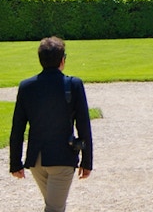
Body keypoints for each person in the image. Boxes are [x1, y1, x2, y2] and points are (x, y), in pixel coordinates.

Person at [10, 37, 93, 212]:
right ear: (62, 60)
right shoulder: (73, 84)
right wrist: (87, 161)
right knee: (54, 208)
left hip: (36, 160)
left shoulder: (26, 86)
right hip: (62, 158)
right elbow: (84, 125)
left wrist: (15, 162)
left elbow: (18, 127)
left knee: (54, 206)